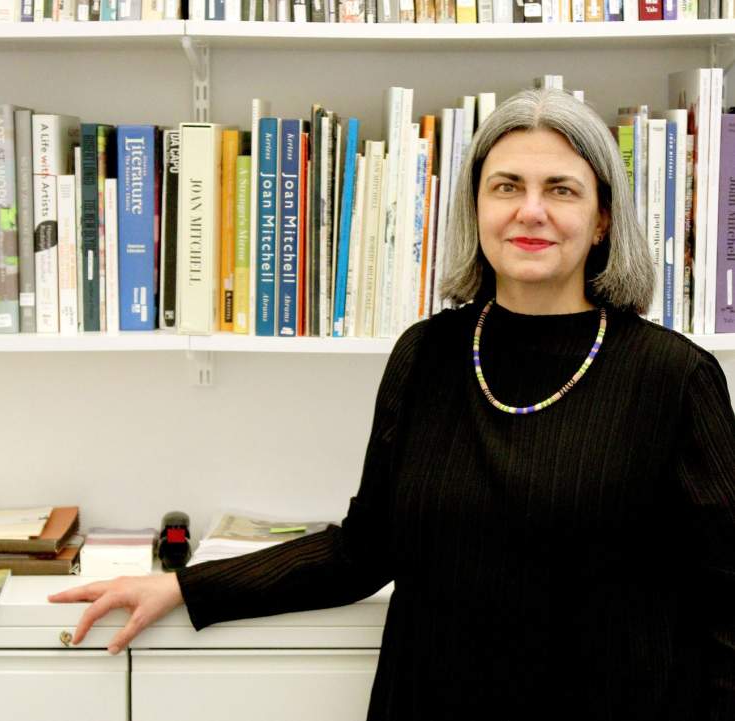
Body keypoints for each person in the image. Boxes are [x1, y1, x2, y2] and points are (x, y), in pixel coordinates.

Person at [50, 88, 735, 720]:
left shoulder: (675, 377)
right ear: (476, 208)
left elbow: (726, 606)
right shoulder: (429, 354)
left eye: (561, 189)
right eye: (507, 187)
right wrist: (187, 587)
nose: (531, 210)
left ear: (603, 217)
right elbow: (364, 549)